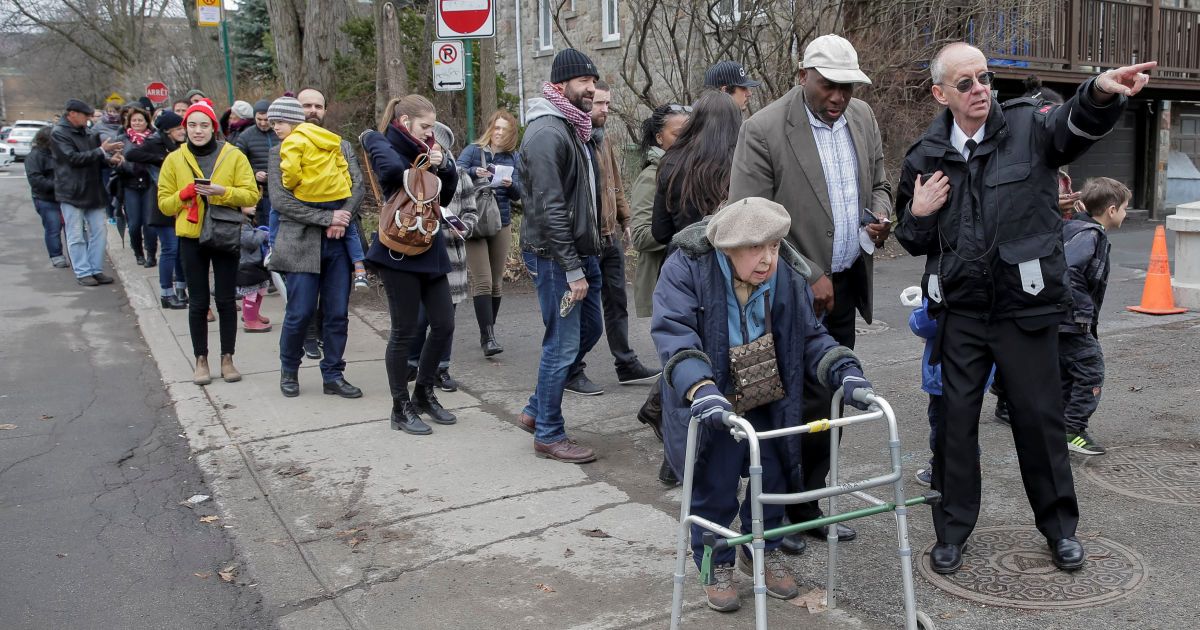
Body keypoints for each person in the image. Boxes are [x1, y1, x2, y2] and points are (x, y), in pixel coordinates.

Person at [893, 42, 1155, 575]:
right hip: (961, 313)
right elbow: (912, 238)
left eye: (984, 77)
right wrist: (918, 213)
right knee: (956, 426)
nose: (979, 89)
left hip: (1025, 309)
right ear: (941, 93)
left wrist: (1101, 90)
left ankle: (1060, 529)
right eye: (964, 83)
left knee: (1039, 422)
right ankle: (952, 531)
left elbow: (1074, 123)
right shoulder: (924, 155)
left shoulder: (1027, 130)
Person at [651, 198, 874, 613]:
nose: (768, 259)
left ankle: (760, 549)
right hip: (712, 397)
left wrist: (844, 368)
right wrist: (700, 387)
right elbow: (674, 332)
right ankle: (713, 562)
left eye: (774, 246)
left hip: (766, 391)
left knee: (775, 478)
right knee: (713, 487)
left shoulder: (785, 275)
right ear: (727, 247)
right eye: (756, 248)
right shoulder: (687, 269)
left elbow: (809, 335)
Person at [728, 34, 892, 553]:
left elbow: (882, 181)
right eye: (828, 85)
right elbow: (748, 218)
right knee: (779, 404)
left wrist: (879, 216)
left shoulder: (862, 118)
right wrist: (806, 272)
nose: (838, 97)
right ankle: (769, 513)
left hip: (843, 287)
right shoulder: (764, 128)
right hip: (783, 292)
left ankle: (807, 505)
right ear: (803, 75)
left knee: (829, 398)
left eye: (846, 86)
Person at [513, 49, 604, 463]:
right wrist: (571, 267)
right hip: (555, 256)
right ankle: (549, 433)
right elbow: (548, 206)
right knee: (562, 346)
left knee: (588, 330)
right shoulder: (548, 131)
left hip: (580, 251)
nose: (591, 88)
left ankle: (536, 409)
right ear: (562, 82)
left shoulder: (573, 127)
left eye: (593, 81)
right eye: (584, 81)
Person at [361, 95, 460, 434]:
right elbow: (390, 172)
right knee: (403, 332)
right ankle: (399, 408)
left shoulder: (431, 149)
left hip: (429, 247)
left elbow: (443, 197)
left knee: (444, 325)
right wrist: (423, 160)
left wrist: (443, 165)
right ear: (405, 122)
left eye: (432, 126)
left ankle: (423, 393)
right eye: (425, 126)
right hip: (397, 251)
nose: (431, 133)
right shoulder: (379, 140)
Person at [267, 91, 366, 399]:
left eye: (318, 106)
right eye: (305, 105)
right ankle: (289, 370)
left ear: (325, 110)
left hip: (337, 246)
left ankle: (333, 374)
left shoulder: (340, 144)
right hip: (300, 243)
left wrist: (343, 216)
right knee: (300, 312)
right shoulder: (280, 152)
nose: (312, 110)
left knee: (337, 313)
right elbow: (281, 201)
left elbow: (357, 184)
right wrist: (328, 218)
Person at [157, 98, 260, 385]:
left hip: (224, 233)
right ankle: (200, 360)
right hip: (190, 236)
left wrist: (221, 192)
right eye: (192, 125)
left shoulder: (233, 155)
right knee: (198, 301)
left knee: (227, 300)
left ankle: (227, 358)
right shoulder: (174, 159)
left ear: (214, 127)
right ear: (184, 128)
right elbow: (164, 204)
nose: (198, 130)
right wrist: (184, 194)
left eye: (204, 125)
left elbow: (251, 195)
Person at [566, 80, 660, 392]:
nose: (606, 110)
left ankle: (626, 363)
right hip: (586, 241)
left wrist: (628, 219)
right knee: (585, 313)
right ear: (584, 104)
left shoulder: (604, 140)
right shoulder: (576, 140)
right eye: (600, 104)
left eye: (608, 104)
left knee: (617, 302)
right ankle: (571, 369)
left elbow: (615, 186)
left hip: (610, 237)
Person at [630, 102, 690, 485]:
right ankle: (674, 456)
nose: (684, 138)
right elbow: (639, 234)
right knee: (677, 368)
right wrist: (679, 224)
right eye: (677, 133)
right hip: (661, 283)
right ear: (658, 138)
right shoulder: (652, 177)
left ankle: (661, 424)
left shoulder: (686, 169)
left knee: (682, 366)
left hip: (682, 281)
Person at [1060, 177, 1129, 456]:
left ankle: (1059, 427)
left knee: (1066, 375)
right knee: (1091, 372)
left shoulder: (1073, 227)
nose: (1125, 213)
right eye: (1125, 208)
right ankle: (1072, 429)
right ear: (1111, 210)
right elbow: (1070, 272)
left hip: (1060, 321)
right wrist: (1082, 312)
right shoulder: (1090, 234)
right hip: (1072, 321)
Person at [406, 122, 476, 393]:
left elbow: (471, 211)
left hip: (451, 255)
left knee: (445, 319)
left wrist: (462, 226)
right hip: (420, 253)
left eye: (437, 145)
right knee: (418, 316)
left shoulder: (460, 176)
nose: (432, 148)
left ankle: (441, 367)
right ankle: (412, 362)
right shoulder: (413, 172)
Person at [457, 110, 523, 357]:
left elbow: (520, 193)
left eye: (504, 130)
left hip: (500, 222)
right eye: (496, 128)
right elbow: (455, 171)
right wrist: (476, 173)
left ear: (510, 134)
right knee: (482, 281)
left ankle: (490, 331)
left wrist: (510, 184)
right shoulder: (474, 151)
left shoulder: (513, 157)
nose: (499, 133)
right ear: (489, 128)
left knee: (496, 283)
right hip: (474, 221)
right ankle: (487, 337)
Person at [651, 91, 741, 247]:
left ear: (695, 121)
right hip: (735, 261)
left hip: (686, 261)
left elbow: (661, 232)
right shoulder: (744, 164)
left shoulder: (672, 162)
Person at [51, 99, 124, 286]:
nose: (88, 119)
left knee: (99, 232)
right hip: (71, 192)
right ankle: (83, 271)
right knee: (75, 234)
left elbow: (95, 159)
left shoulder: (88, 133)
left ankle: (95, 269)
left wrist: (110, 160)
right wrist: (102, 150)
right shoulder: (59, 134)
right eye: (85, 115)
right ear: (72, 114)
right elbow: (72, 158)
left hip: (93, 190)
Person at [125, 111, 190, 309]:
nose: (183, 131)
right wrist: (160, 158)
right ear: (167, 130)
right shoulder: (155, 143)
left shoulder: (182, 146)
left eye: (182, 127)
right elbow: (130, 154)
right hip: (161, 202)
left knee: (180, 250)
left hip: (180, 202)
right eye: (179, 128)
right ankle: (166, 293)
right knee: (170, 248)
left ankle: (181, 288)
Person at [115, 106, 159, 267]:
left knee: (149, 222)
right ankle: (138, 253)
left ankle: (151, 255)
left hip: (149, 183)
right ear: (129, 122)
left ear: (147, 122)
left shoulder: (153, 139)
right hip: (130, 184)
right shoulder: (122, 139)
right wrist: (119, 164)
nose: (137, 123)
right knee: (134, 224)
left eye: (140, 120)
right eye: (134, 120)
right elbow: (112, 161)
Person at [25, 126, 68, 268]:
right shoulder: (34, 156)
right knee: (53, 227)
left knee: (72, 227)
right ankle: (56, 255)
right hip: (45, 199)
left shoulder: (60, 153)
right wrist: (59, 184)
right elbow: (36, 181)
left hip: (65, 197)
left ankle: (76, 255)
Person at [235, 99, 277, 231]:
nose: (263, 123)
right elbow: (238, 165)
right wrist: (254, 174)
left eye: (267, 119)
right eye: (259, 119)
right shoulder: (245, 137)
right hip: (260, 193)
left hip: (281, 190)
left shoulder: (280, 132)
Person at [238, 223, 273, 333]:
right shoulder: (241, 225)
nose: (254, 206)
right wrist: (261, 233)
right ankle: (250, 320)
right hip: (247, 265)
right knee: (251, 293)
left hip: (255, 263)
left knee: (261, 289)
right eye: (249, 205)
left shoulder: (246, 222)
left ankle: (253, 313)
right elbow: (251, 241)